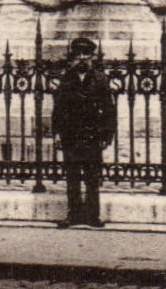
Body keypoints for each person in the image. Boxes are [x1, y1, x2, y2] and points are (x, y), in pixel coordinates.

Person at [50, 37, 117, 228]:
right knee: (72, 178)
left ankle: (92, 216)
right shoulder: (67, 79)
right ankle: (74, 215)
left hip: (92, 134)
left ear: (92, 57)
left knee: (92, 178)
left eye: (86, 54)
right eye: (78, 54)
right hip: (70, 134)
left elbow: (109, 110)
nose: (82, 58)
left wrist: (107, 135)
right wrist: (56, 133)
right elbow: (58, 109)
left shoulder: (100, 79)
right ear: (73, 57)